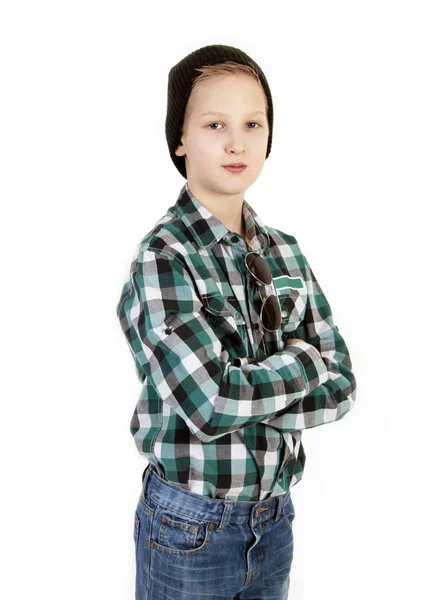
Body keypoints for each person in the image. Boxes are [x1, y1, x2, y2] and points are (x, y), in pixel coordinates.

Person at [116, 43, 357, 600]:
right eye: (214, 124)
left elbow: (343, 385)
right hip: (189, 525)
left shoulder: (286, 254)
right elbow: (209, 404)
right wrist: (301, 361)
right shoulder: (164, 257)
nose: (236, 141)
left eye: (253, 123)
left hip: (274, 520)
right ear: (180, 138)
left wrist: (248, 392)